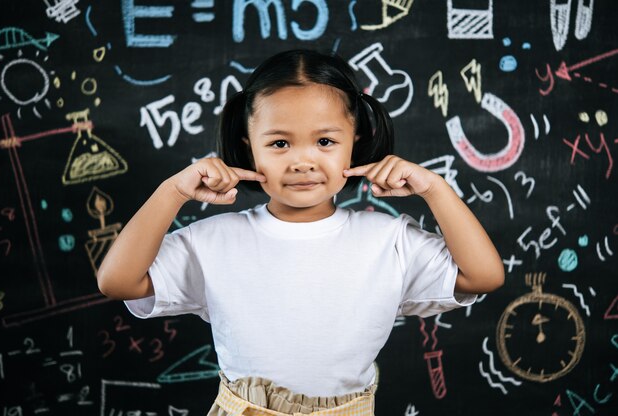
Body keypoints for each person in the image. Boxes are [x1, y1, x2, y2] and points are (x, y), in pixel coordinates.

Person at [97, 49, 504, 416]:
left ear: (354, 141)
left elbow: (483, 276)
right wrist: (173, 192)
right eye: (279, 144)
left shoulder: (389, 239)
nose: (303, 162)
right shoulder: (214, 239)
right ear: (249, 144)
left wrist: (436, 189)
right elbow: (118, 281)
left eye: (325, 140)